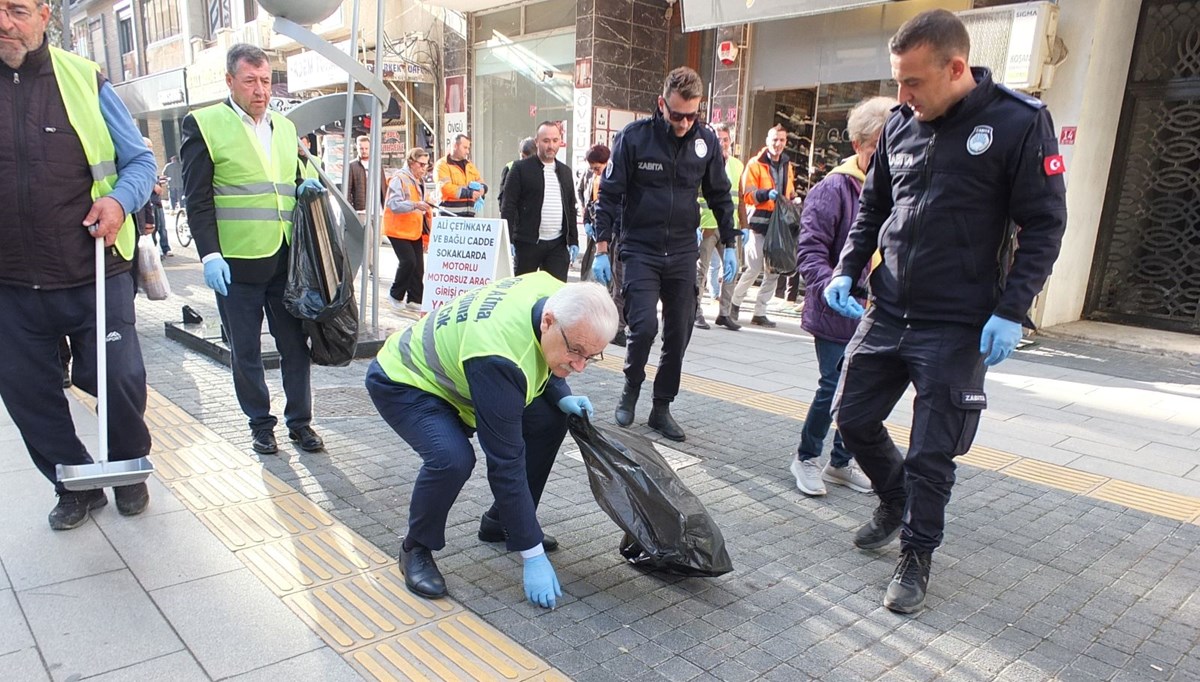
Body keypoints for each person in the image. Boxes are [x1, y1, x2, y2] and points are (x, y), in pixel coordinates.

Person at [826, 9, 1067, 614]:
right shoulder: (901, 125)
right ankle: (893, 495)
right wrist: (847, 269)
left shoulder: (1017, 123)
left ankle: (916, 554)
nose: (901, 97)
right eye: (897, 82)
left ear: (955, 67)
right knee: (851, 417)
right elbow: (874, 205)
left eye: (912, 83)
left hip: (959, 322)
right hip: (890, 308)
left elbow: (1045, 224)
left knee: (934, 450)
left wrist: (1013, 309)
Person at [366, 273, 617, 608]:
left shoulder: (562, 298)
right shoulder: (499, 355)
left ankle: (502, 524)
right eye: (576, 352)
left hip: (464, 374)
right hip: (407, 380)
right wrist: (532, 554)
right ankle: (415, 548)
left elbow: (546, 353)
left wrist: (560, 392)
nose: (581, 366)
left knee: (550, 417)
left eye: (592, 356)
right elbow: (505, 463)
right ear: (548, 322)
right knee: (452, 458)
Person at [0, 0, 156, 529]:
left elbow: (140, 160)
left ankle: (128, 470)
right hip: (11, 282)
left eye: (16, 9)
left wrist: (118, 202)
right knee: (28, 395)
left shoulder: (85, 79)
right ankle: (75, 486)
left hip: (95, 267)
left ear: (45, 15)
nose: (5, 23)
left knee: (117, 378)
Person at [181, 43, 326, 457]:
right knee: (246, 352)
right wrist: (209, 255)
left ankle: (301, 422)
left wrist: (303, 186)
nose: (260, 90)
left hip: (283, 261)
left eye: (265, 81)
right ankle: (261, 425)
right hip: (235, 264)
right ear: (230, 82)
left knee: (295, 348)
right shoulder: (204, 125)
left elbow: (289, 181)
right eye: (250, 81)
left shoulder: (284, 127)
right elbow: (198, 198)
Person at [594, 66, 739, 442]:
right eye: (677, 115)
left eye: (692, 115)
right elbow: (608, 195)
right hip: (640, 248)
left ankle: (661, 407)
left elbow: (720, 194)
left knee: (680, 331)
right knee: (643, 328)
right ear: (661, 104)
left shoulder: (705, 141)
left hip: (681, 251)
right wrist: (601, 245)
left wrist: (730, 244)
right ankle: (631, 388)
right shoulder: (634, 138)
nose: (684, 123)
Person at [790, 96, 895, 498]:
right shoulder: (833, 188)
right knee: (832, 384)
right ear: (858, 145)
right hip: (836, 309)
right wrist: (835, 286)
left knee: (862, 392)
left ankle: (840, 462)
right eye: (876, 149)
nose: (885, 158)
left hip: (878, 309)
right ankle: (806, 457)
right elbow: (810, 252)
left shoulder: (894, 187)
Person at [729, 125, 796, 329]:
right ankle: (734, 304)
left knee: (774, 270)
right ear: (767, 141)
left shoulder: (787, 165)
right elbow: (747, 194)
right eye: (775, 140)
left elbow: (789, 191)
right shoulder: (755, 164)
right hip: (757, 223)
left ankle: (760, 312)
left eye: (782, 140)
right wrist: (766, 194)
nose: (778, 144)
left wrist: (793, 199)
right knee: (754, 267)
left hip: (778, 225)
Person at [501, 121, 578, 281]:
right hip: (527, 243)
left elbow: (570, 208)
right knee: (522, 292)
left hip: (557, 245)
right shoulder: (520, 169)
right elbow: (508, 206)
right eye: (546, 141)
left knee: (556, 295)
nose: (551, 145)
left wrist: (573, 240)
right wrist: (507, 240)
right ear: (537, 142)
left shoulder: (565, 172)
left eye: (555, 140)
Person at [695, 122, 745, 331]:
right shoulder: (701, 162)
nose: (722, 143)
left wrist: (745, 225)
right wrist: (694, 224)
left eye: (725, 139)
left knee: (732, 269)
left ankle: (724, 313)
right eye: (718, 139)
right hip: (705, 224)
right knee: (701, 271)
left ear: (730, 141)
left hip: (728, 227)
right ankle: (696, 311)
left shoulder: (737, 165)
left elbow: (740, 197)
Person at [384, 147, 433, 310]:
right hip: (397, 229)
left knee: (418, 266)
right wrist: (415, 205)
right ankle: (395, 295)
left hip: (413, 229)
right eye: (421, 164)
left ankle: (415, 299)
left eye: (426, 165)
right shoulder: (399, 178)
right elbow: (393, 204)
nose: (424, 168)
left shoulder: (420, 181)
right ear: (411, 163)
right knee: (408, 262)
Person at [576, 144, 609, 282]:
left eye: (597, 168)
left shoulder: (614, 176)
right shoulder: (590, 175)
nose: (595, 172)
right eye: (592, 168)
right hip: (594, 220)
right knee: (590, 260)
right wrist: (586, 220)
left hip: (607, 225)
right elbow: (584, 196)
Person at [434, 133, 486, 217]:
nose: (467, 151)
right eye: (465, 148)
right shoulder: (442, 165)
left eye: (468, 148)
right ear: (455, 145)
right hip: (449, 217)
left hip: (469, 217)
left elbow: (480, 181)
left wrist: (483, 189)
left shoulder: (469, 165)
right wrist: (470, 193)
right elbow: (445, 188)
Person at [346, 134, 385, 212]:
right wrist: (351, 209)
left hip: (378, 208)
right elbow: (347, 190)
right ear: (357, 148)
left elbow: (383, 186)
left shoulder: (377, 164)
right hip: (361, 209)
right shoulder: (352, 166)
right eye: (361, 148)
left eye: (366, 148)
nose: (364, 151)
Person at [498, 136, 535, 209]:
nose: (525, 161)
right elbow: (502, 195)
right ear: (520, 153)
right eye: (523, 157)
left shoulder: (539, 169)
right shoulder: (510, 167)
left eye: (529, 158)